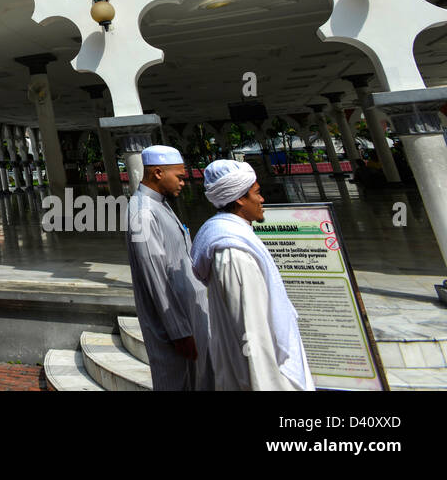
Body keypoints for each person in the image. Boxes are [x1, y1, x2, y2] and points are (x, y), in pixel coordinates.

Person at [190, 160, 313, 391]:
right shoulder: (234, 253)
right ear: (239, 198)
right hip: (259, 373)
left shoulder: (235, 236)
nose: (262, 199)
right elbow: (251, 330)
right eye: (256, 193)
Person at [125, 144, 212, 390]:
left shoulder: (159, 204)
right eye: (180, 176)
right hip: (173, 324)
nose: (183, 182)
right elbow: (155, 276)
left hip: (186, 315)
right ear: (158, 173)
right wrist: (179, 331)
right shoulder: (142, 212)